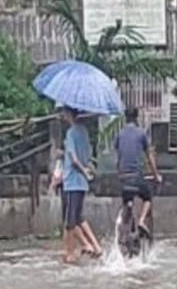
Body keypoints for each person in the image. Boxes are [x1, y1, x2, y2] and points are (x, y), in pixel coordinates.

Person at [56, 107, 103, 264]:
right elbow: (86, 155)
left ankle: (70, 253)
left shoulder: (71, 133)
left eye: (64, 113)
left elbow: (74, 159)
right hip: (81, 184)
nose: (62, 116)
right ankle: (94, 246)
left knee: (69, 220)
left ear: (69, 114)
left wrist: (83, 171)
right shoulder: (84, 132)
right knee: (78, 217)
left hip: (72, 182)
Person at [110, 102, 163, 239]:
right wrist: (156, 175)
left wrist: (120, 173)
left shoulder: (120, 135)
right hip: (137, 177)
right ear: (137, 118)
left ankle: (123, 230)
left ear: (125, 118)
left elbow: (117, 158)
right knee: (147, 198)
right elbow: (149, 158)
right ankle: (141, 221)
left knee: (127, 200)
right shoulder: (141, 134)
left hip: (124, 178)